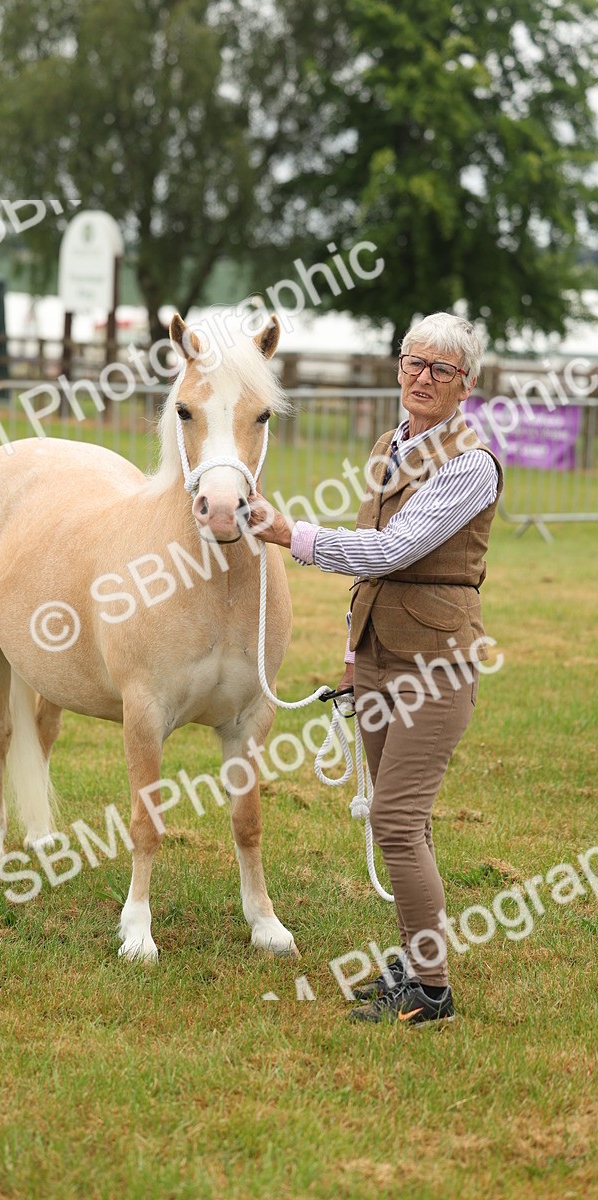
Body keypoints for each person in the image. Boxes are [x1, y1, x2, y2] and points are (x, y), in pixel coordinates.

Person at [249, 312, 502, 1026]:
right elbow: (370, 555)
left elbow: (392, 549)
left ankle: (433, 993)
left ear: (465, 386)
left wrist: (289, 533)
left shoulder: (470, 465)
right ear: (399, 369)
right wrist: (354, 659)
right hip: (380, 661)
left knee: (394, 820)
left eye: (440, 371)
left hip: (438, 668)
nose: (422, 378)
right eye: (413, 363)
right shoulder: (389, 444)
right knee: (405, 825)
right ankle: (416, 967)